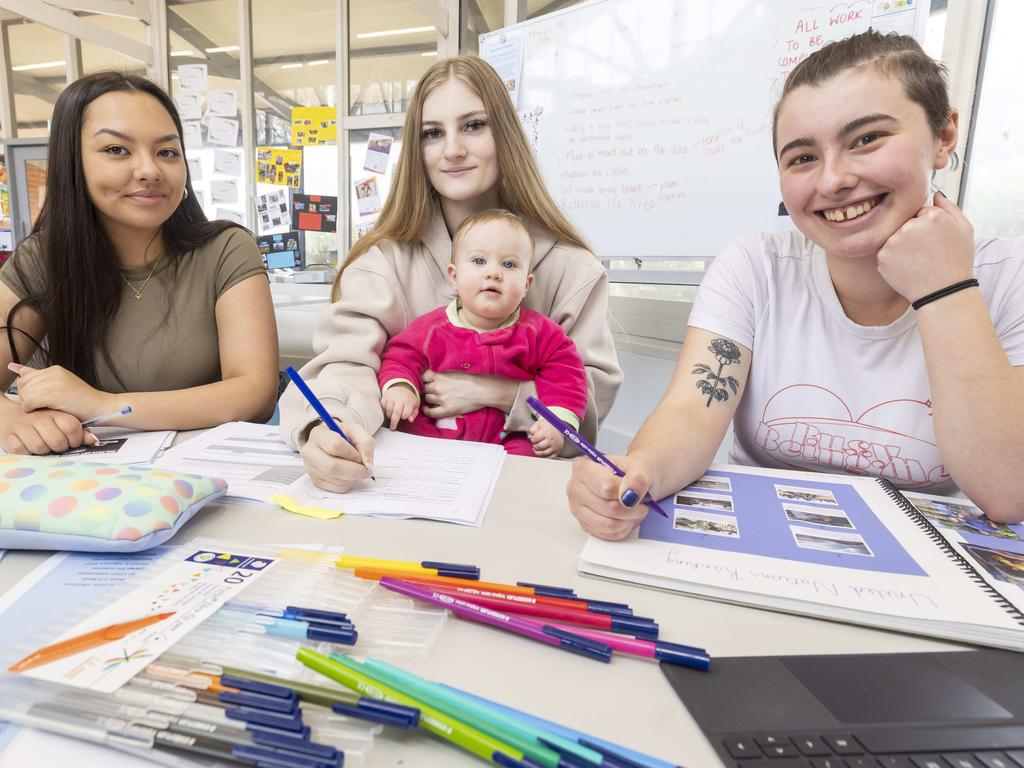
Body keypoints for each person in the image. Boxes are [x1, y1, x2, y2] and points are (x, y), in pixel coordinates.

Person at [568, 30, 1024, 539]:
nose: (832, 181)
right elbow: (691, 412)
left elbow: (1008, 492)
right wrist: (643, 470)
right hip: (762, 550)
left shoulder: (1008, 276)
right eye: (803, 157)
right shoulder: (755, 265)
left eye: (867, 139)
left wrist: (945, 288)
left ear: (943, 135)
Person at [279, 55, 622, 492]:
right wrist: (331, 429)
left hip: (522, 492)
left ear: (506, 135)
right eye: (432, 133)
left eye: (474, 125)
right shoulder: (381, 261)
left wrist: (495, 393)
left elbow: (589, 401)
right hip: (404, 488)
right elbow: (347, 368)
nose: (453, 149)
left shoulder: (572, 268)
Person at [0, 72, 279, 454]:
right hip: (89, 486)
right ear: (72, 163)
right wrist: (15, 420)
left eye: (167, 151)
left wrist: (102, 405)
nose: (150, 170)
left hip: (209, 477)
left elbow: (254, 393)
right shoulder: (42, 259)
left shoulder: (226, 248)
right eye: (117, 150)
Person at [378, 209, 588, 457]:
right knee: (405, 440)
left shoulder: (541, 334)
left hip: (506, 440)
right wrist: (401, 387)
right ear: (454, 277)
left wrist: (556, 423)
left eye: (509, 264)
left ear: (526, 285)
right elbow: (400, 358)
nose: (493, 273)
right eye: (479, 261)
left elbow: (567, 379)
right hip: (434, 435)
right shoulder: (430, 329)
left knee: (531, 454)